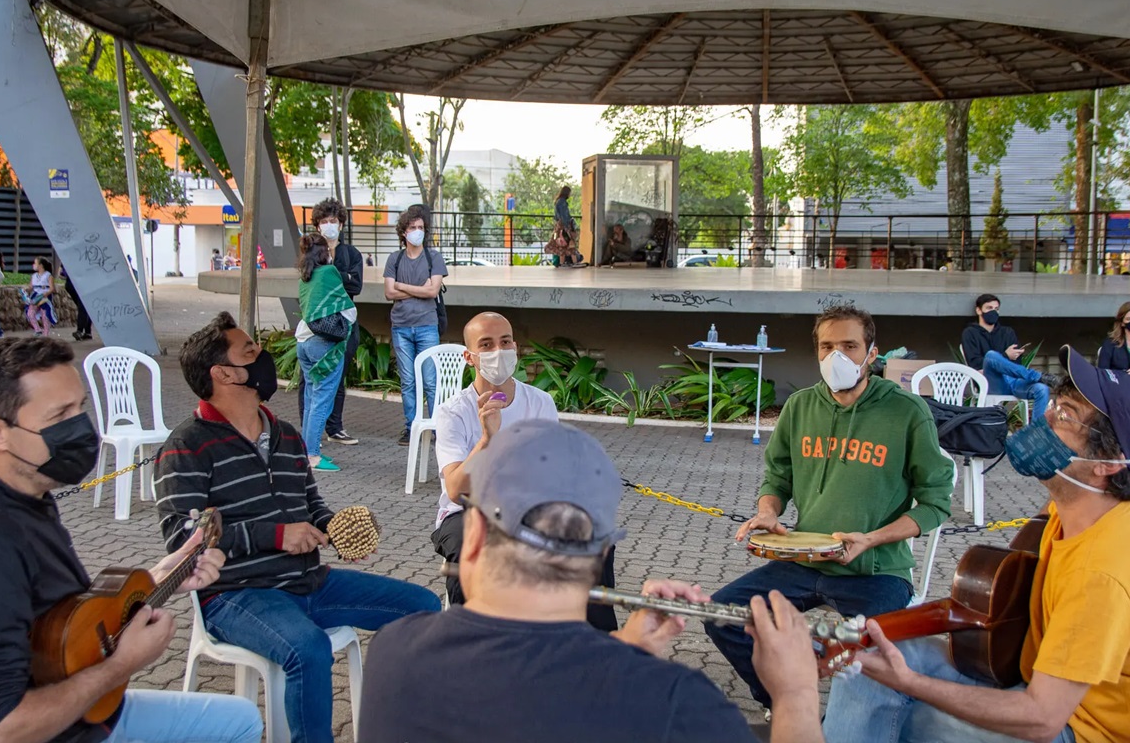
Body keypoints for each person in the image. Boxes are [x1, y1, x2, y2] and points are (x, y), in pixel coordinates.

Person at [824, 346, 1130, 743]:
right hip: (1048, 683)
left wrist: (908, 683)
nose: (1044, 418)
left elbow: (1041, 719)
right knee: (867, 662)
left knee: (904, 711)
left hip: (1081, 728)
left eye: (1065, 416)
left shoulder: (1103, 573)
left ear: (1108, 463)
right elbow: (1027, 551)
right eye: (1055, 404)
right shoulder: (1087, 506)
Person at [359, 419, 826, 743]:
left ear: (475, 535)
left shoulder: (393, 650)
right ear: (603, 551)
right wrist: (796, 694)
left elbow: (535, 697)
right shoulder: (675, 704)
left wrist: (627, 646)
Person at [0, 336, 263, 743]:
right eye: (60, 415)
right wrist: (121, 666)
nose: (82, 428)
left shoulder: (18, 491)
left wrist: (164, 575)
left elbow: (61, 622)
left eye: (81, 407)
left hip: (81, 711)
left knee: (240, 718)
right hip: (57, 729)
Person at [155, 312, 441, 743]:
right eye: (249, 351)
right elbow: (183, 536)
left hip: (309, 581)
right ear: (223, 373)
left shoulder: (285, 434)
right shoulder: (187, 445)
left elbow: (310, 503)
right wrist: (276, 535)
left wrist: (335, 528)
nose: (263, 356)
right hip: (237, 595)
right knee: (309, 649)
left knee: (423, 607)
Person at [705, 304, 954, 715]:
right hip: (804, 560)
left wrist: (872, 539)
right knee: (722, 615)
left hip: (876, 571)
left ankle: (849, 721)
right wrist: (769, 510)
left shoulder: (907, 413)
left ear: (872, 353)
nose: (837, 356)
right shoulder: (800, 407)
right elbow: (778, 476)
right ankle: (784, 704)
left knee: (867, 654)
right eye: (827, 346)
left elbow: (936, 502)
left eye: (850, 346)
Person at [430, 310, 624, 628]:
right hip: (468, 512)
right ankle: (471, 645)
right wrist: (488, 439)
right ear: (469, 357)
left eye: (505, 342)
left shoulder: (539, 402)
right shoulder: (454, 412)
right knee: (474, 554)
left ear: (516, 348)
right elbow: (454, 488)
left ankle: (591, 644)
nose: (498, 351)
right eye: (487, 344)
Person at [295, 198, 364, 447]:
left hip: (342, 328)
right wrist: (339, 277)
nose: (329, 226)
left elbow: (356, 285)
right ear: (316, 225)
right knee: (310, 382)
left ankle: (334, 427)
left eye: (333, 221)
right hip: (315, 328)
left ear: (342, 224)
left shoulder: (351, 254)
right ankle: (310, 433)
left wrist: (333, 277)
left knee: (338, 375)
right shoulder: (311, 251)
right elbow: (311, 286)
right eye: (324, 222)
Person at [383, 204, 449, 446]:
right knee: (408, 381)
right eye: (413, 227)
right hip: (400, 327)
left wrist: (402, 286)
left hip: (426, 326)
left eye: (421, 227)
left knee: (431, 381)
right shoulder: (395, 259)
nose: (417, 231)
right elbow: (389, 293)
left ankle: (437, 429)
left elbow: (432, 290)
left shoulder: (434, 258)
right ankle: (411, 428)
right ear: (404, 232)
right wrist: (418, 290)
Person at [294, 233, 355, 473]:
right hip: (324, 344)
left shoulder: (304, 278)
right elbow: (343, 301)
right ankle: (313, 456)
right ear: (323, 252)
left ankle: (306, 450)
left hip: (304, 343)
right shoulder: (329, 273)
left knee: (311, 398)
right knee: (322, 399)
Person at [962, 293, 1059, 417]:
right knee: (991, 355)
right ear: (978, 310)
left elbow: (1017, 365)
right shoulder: (970, 333)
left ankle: (1036, 434)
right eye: (989, 308)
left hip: (1014, 381)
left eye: (996, 309)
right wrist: (1005, 356)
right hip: (990, 382)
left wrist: (1007, 362)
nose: (993, 312)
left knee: (1042, 389)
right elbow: (975, 365)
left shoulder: (1007, 332)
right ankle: (1037, 376)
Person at [546, 185, 582, 267]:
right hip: (564, 226)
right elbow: (565, 216)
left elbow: (556, 216)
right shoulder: (562, 202)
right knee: (570, 243)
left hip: (559, 226)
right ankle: (575, 262)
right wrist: (569, 227)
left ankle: (562, 263)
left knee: (561, 244)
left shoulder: (558, 201)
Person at [24, 256, 58, 337]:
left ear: (41, 265)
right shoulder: (34, 276)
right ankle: (37, 329)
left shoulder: (48, 275)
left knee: (44, 315)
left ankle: (46, 334)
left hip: (44, 296)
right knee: (30, 313)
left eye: (35, 263)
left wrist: (45, 294)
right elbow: (31, 287)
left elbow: (52, 288)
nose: (33, 265)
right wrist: (26, 290)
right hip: (35, 296)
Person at [61, 264, 93, 341]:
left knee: (83, 307)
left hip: (73, 284)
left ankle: (81, 330)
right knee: (84, 307)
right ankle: (86, 331)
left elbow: (61, 274)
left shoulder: (69, 257)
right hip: (80, 283)